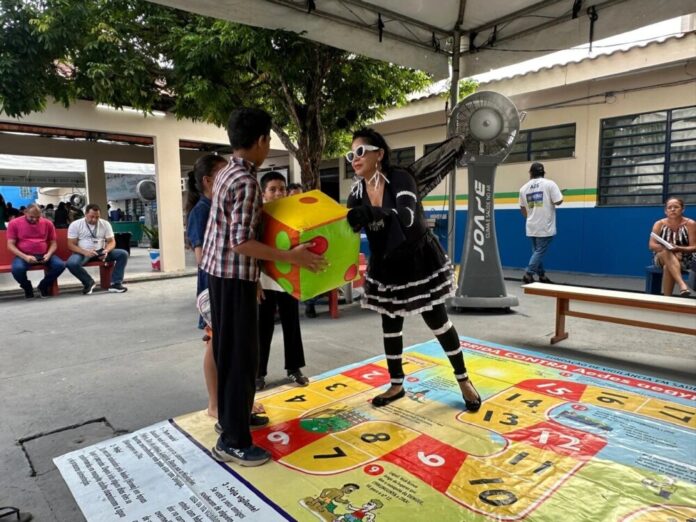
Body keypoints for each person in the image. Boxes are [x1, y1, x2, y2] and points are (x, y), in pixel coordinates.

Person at [200, 107, 326, 467]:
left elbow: (227, 235)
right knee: (242, 358)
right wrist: (291, 257)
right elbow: (241, 242)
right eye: (268, 139)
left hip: (222, 275)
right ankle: (234, 441)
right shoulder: (245, 182)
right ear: (260, 141)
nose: (267, 145)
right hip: (232, 278)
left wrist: (255, 276)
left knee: (231, 353)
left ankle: (232, 419)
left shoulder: (226, 172)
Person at [346, 128, 481, 412]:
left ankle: (464, 380)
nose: (354, 159)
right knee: (390, 325)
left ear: (379, 154)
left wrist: (372, 213)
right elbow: (350, 228)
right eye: (351, 155)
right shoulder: (356, 192)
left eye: (360, 152)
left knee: (438, 321)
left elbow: (406, 218)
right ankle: (396, 384)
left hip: (418, 258)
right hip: (385, 263)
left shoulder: (400, 178)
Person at [256, 171, 310, 390]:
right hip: (264, 281)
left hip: (288, 280)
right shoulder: (257, 216)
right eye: (273, 189)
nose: (278, 193)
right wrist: (255, 281)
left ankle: (294, 369)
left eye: (282, 189)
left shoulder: (293, 215)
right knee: (262, 327)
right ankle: (258, 373)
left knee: (292, 324)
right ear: (263, 193)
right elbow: (250, 249)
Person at [186, 153, 228, 417]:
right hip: (212, 285)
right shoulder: (201, 212)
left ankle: (230, 400)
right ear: (208, 180)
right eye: (223, 174)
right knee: (214, 343)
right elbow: (202, 257)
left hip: (224, 283)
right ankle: (214, 404)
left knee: (225, 344)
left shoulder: (220, 207)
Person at [65, 203, 129, 294]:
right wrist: (85, 252)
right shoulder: (75, 225)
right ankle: (88, 282)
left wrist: (106, 251)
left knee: (123, 254)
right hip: (83, 252)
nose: (94, 219)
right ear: (85, 214)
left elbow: (112, 242)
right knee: (71, 263)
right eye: (91, 217)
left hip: (101, 251)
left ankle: (116, 283)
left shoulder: (105, 224)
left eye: (97, 217)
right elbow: (71, 245)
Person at [6, 204, 65, 298]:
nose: (35, 219)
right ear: (25, 212)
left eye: (38, 217)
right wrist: (25, 257)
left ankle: (43, 285)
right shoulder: (14, 223)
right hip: (24, 255)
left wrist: (49, 254)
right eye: (32, 217)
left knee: (60, 265)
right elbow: (10, 245)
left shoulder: (48, 223)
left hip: (44, 254)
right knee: (17, 269)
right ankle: (27, 287)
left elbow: (53, 243)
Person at [518, 161, 563, 284]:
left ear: (530, 173)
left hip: (531, 225)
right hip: (544, 225)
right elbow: (558, 201)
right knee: (539, 251)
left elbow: (522, 208)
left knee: (536, 252)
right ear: (543, 173)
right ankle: (528, 274)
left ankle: (542, 276)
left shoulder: (523, 188)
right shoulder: (550, 184)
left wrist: (530, 217)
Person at [649, 197, 696, 297]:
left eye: (676, 207)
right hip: (661, 257)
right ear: (665, 211)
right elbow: (651, 245)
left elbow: (694, 247)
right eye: (669, 207)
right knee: (665, 251)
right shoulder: (659, 224)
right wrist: (671, 250)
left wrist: (679, 249)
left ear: (683, 209)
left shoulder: (691, 224)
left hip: (685, 259)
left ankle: (667, 299)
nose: (673, 209)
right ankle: (682, 284)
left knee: (668, 266)